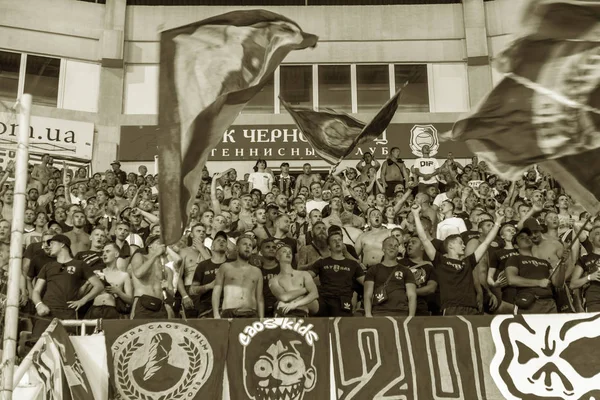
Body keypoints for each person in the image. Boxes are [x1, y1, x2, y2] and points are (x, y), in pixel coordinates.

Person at [412, 204, 504, 315]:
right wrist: (416, 215)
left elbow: (486, 243)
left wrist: (498, 222)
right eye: (461, 243)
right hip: (451, 308)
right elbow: (424, 239)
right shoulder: (440, 261)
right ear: (450, 245)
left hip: (472, 308)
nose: (464, 246)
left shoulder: (468, 261)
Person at [31, 235, 103, 339]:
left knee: (65, 348)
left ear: (62, 244)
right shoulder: (47, 266)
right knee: (38, 345)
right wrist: (39, 305)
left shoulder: (80, 264)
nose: (49, 247)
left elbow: (98, 285)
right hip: (46, 311)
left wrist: (83, 300)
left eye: (52, 243)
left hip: (68, 312)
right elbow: (36, 290)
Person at [505, 228, 568, 314]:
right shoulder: (514, 259)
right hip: (529, 303)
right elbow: (511, 280)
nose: (527, 238)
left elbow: (558, 283)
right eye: (522, 238)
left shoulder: (544, 261)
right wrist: (538, 282)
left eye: (528, 236)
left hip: (550, 303)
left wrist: (562, 263)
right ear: (516, 246)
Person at [308, 231, 365, 317]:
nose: (337, 242)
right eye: (333, 240)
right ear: (328, 246)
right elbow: (306, 277)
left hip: (342, 301)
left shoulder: (353, 264)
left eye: (339, 240)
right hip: (324, 299)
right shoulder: (321, 262)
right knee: (304, 303)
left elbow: (366, 282)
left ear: (343, 244)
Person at [212, 235, 264, 318]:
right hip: (229, 312)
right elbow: (216, 292)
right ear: (237, 248)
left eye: (250, 245)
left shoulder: (257, 271)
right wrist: (216, 314)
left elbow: (260, 297)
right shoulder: (225, 267)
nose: (248, 247)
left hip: (251, 313)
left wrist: (261, 318)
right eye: (244, 244)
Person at [364, 236, 417, 317]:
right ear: (383, 248)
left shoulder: (406, 271)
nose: (393, 247)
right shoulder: (373, 270)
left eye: (396, 246)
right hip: (379, 312)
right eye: (390, 245)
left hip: (401, 312)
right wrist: (368, 314)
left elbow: (412, 295)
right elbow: (368, 295)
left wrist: (411, 316)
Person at [130, 235, 175, 319]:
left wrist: (168, 289)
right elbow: (138, 273)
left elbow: (172, 292)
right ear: (149, 245)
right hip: (143, 302)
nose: (162, 246)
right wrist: (155, 255)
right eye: (159, 243)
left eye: (164, 244)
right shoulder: (139, 256)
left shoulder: (165, 266)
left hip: (160, 305)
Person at [269, 244, 319, 318]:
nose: (288, 253)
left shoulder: (304, 274)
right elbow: (284, 297)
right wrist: (305, 289)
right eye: (284, 251)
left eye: (290, 252)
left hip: (302, 314)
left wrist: (295, 304)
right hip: (284, 316)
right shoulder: (274, 280)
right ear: (277, 257)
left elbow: (315, 294)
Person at [86, 243, 133, 319]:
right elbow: (83, 294)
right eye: (103, 252)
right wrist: (88, 283)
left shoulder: (124, 275)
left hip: (112, 312)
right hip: (95, 310)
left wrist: (118, 291)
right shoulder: (97, 273)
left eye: (107, 251)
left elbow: (130, 300)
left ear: (116, 254)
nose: (104, 254)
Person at [187, 231, 228, 318]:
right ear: (212, 247)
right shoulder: (203, 265)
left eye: (224, 241)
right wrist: (209, 286)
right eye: (218, 240)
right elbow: (192, 290)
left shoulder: (233, 265)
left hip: (229, 309)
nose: (221, 241)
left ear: (226, 248)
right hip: (206, 310)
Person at [570, 225, 600, 312]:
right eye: (597, 233)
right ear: (591, 239)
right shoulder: (584, 259)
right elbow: (572, 284)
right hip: (595, 302)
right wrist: (590, 277)